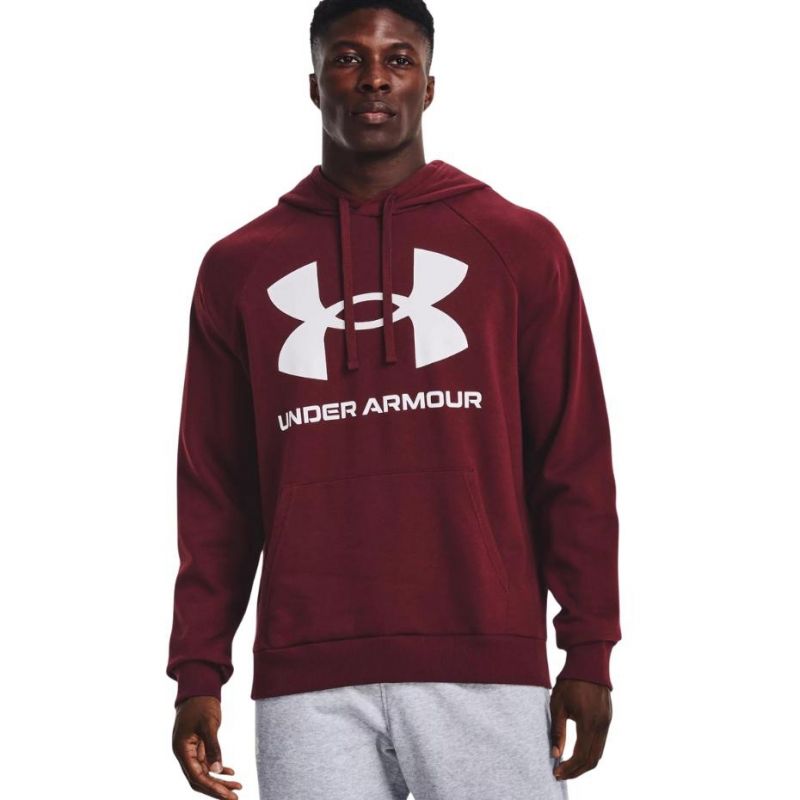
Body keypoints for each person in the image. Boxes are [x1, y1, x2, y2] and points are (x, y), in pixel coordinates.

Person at [167, 1, 621, 798]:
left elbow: (572, 461)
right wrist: (197, 670)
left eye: (398, 59)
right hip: (307, 677)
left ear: (429, 86)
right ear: (315, 85)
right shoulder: (239, 267)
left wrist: (588, 650)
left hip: (484, 659)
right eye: (348, 58)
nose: (374, 78)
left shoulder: (518, 245)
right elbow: (217, 490)